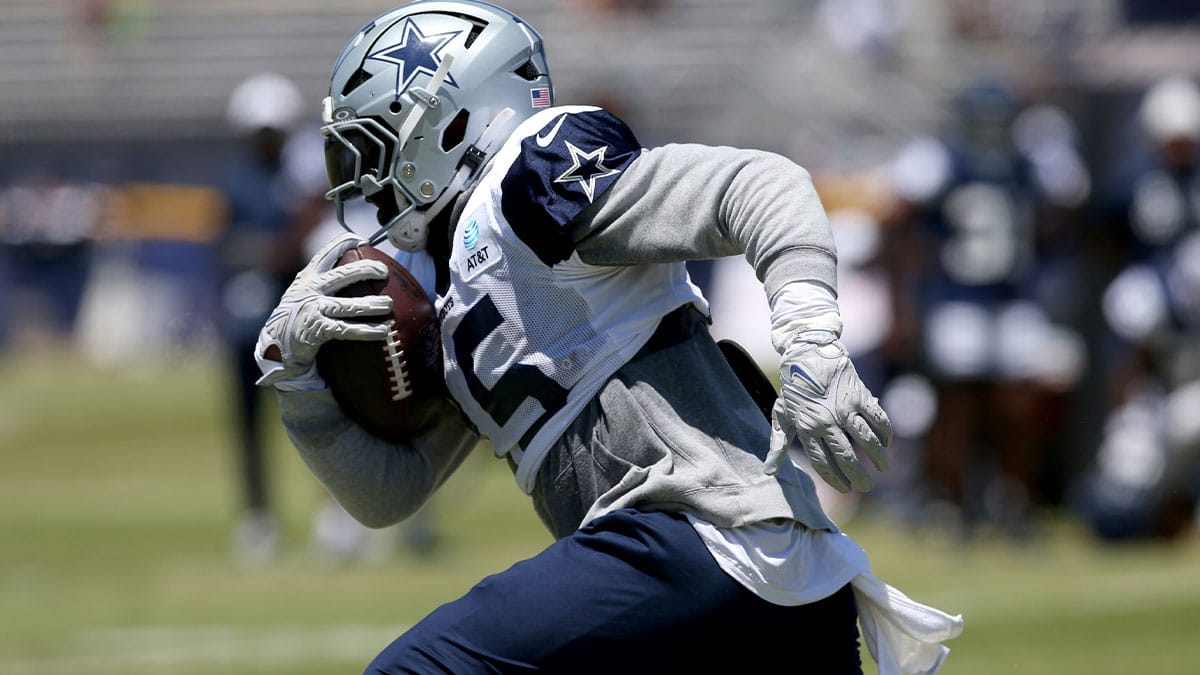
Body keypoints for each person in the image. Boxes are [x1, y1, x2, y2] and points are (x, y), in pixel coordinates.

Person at [254, 1, 963, 672]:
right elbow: (390, 494)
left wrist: (812, 343)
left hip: (693, 537)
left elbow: (762, 184)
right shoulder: (453, 288)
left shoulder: (527, 178)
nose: (365, 187)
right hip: (765, 580)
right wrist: (299, 382)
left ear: (446, 121)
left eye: (372, 149)